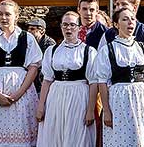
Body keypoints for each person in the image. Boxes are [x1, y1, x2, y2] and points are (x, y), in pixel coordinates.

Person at [0, 0, 43, 146]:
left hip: (22, 95)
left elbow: (33, 68)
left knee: (21, 133)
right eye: (0, 14)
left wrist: (18, 94)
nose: (3, 17)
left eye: (7, 14)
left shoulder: (27, 38)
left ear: (16, 16)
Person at [94, 8, 144, 146]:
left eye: (132, 19)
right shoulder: (108, 50)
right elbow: (102, 82)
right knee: (123, 139)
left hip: (143, 99)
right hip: (119, 100)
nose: (130, 22)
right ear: (116, 24)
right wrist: (107, 111)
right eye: (125, 19)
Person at [35, 11, 97, 146]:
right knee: (55, 133)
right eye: (65, 25)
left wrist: (90, 110)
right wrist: (41, 105)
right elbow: (47, 80)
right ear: (61, 27)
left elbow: (93, 83)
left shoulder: (88, 51)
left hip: (79, 97)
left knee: (77, 134)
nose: (68, 28)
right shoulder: (51, 51)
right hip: (56, 97)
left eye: (72, 25)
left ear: (79, 27)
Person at [76, 0, 109, 147]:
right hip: (75, 84)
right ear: (78, 10)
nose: (88, 13)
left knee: (93, 121)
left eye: (91, 10)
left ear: (97, 11)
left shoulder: (105, 33)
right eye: (84, 9)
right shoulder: (72, 29)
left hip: (95, 84)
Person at [27, 18, 56, 93]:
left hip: (44, 82)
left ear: (42, 31)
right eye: (29, 29)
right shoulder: (29, 42)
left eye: (32, 29)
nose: (29, 31)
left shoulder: (50, 44)